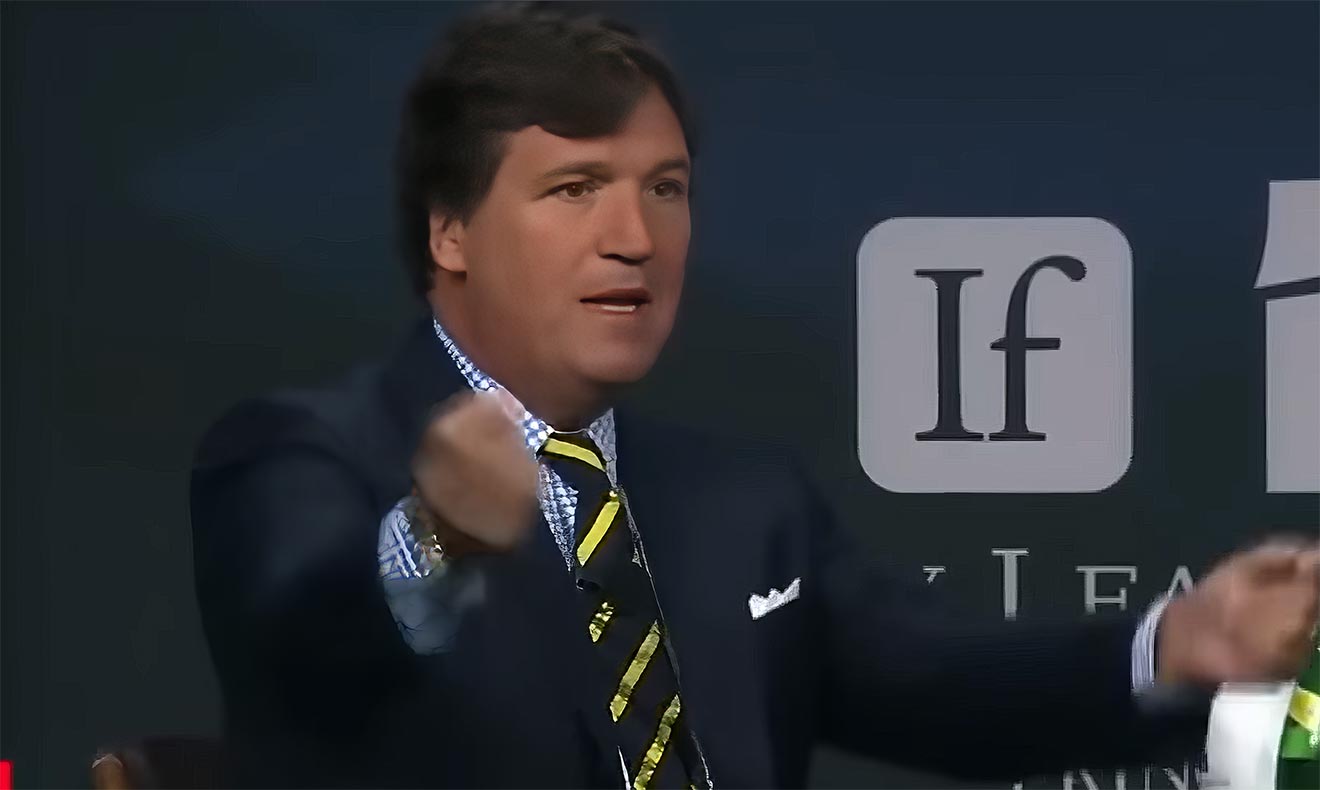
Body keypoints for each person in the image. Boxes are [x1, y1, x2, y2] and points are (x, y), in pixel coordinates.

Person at [190, 5, 1320, 788]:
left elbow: (939, 685)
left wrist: (1177, 642)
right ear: (450, 230)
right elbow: (305, 647)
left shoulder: (742, 503)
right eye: (575, 189)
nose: (635, 238)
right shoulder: (299, 455)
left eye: (665, 189)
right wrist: (438, 540)